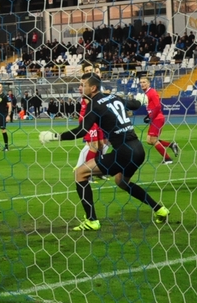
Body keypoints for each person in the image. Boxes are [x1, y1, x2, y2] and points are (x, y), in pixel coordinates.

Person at [41, 74, 170, 231]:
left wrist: (55, 136)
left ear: (93, 87)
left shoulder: (94, 105)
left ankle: (91, 220)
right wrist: (141, 99)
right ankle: (159, 209)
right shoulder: (114, 97)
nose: (80, 88)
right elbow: (134, 105)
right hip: (138, 149)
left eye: (83, 85)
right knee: (122, 181)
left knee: (80, 173)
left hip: (123, 152)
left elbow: (82, 131)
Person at [138, 76, 178, 164]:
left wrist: (151, 116)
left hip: (157, 118)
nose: (142, 84)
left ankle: (168, 159)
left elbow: (158, 106)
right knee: (149, 140)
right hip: (154, 118)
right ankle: (171, 145)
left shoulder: (152, 92)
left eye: (144, 82)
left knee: (153, 140)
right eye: (141, 82)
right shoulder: (146, 93)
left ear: (149, 83)